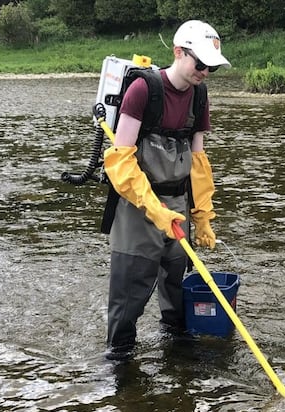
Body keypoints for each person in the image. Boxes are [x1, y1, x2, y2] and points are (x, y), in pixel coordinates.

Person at [101, 20, 230, 360]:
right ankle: (119, 361)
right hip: (137, 205)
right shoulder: (143, 90)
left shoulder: (200, 95)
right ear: (178, 52)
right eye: (199, 63)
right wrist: (154, 210)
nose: (204, 71)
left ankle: (177, 355)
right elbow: (121, 162)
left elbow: (199, 161)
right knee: (130, 293)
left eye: (211, 67)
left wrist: (202, 216)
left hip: (178, 202)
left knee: (175, 287)